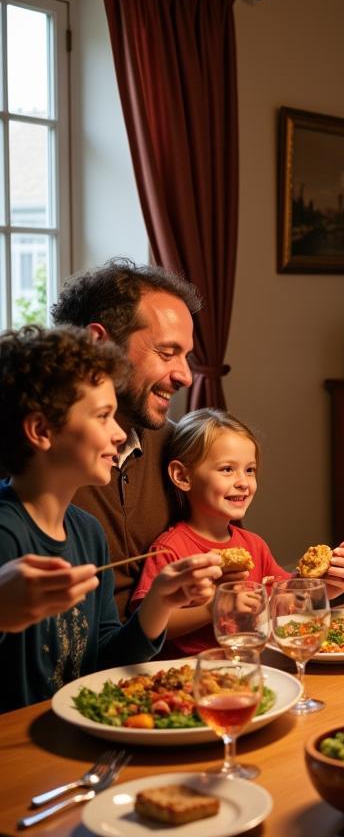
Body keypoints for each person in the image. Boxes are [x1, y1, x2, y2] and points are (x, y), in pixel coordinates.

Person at [0, 326, 221, 711]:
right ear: (40, 430)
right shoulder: (6, 533)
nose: (120, 434)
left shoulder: (87, 532)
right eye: (103, 416)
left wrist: (159, 603)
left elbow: (104, 664)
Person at [129, 409, 344, 655]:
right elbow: (147, 625)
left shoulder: (254, 545)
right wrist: (213, 608)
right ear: (182, 476)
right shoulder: (170, 550)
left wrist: (323, 588)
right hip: (192, 675)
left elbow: (284, 600)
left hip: (254, 666)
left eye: (250, 470)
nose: (243, 482)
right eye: (227, 469)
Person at [51, 258, 203, 616]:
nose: (186, 376)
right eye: (167, 353)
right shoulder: (29, 456)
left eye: (186, 357)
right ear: (98, 344)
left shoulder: (178, 447)